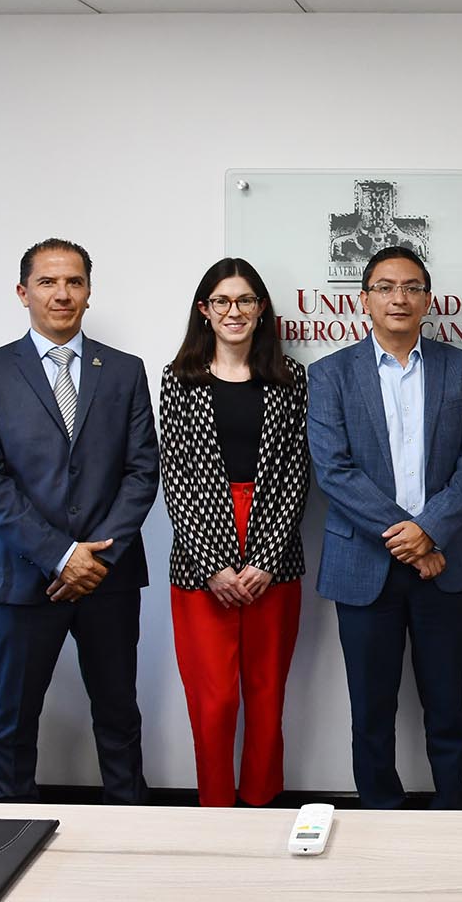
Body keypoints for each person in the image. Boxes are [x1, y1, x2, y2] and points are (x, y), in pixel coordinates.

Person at [0, 238, 159, 803]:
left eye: (74, 282)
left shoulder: (123, 371)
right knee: (14, 721)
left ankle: (130, 831)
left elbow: (142, 471)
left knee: (119, 717)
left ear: (89, 293)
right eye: (47, 282)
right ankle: (7, 836)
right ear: (23, 293)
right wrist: (63, 555)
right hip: (22, 580)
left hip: (108, 579)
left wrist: (95, 559)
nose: (62, 293)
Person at [307, 245, 462, 809]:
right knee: (371, 708)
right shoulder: (331, 374)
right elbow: (333, 470)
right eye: (385, 287)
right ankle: (379, 815)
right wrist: (412, 539)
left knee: (448, 704)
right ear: (364, 299)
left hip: (444, 564)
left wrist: (430, 531)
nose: (399, 298)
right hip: (364, 567)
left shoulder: (459, 368)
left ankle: (452, 807)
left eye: (411, 287)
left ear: (427, 300)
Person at [158, 257, 309, 807]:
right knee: (215, 699)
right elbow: (176, 476)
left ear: (261, 308)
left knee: (266, 694)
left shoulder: (290, 377)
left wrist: (265, 558)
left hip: (274, 551)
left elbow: (296, 472)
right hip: (201, 554)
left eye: (245, 300)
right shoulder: (179, 379)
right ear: (204, 310)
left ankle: (262, 803)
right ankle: (216, 807)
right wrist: (215, 565)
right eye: (221, 301)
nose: (234, 311)